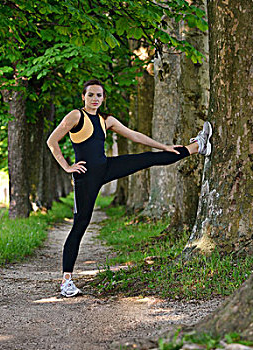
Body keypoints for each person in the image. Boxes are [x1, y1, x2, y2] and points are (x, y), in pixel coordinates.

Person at [46, 79, 212, 297]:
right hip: (85, 177)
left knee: (147, 158)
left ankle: (197, 146)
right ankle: (66, 280)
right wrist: (67, 167)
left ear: (103, 98)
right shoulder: (76, 116)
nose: (95, 99)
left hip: (106, 167)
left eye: (99, 95)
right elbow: (52, 141)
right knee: (80, 225)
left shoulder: (107, 120)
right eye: (91, 95)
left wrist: (164, 146)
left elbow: (134, 135)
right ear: (83, 97)